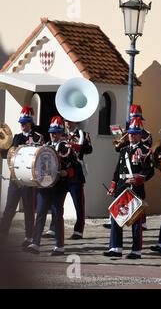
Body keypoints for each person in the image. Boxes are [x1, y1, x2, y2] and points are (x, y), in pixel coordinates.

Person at [103, 117, 154, 259]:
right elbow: (117, 170)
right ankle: (115, 248)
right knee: (116, 217)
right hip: (121, 188)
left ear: (140, 135)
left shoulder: (145, 151)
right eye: (130, 133)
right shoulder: (123, 150)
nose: (131, 136)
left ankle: (136, 251)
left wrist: (139, 178)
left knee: (136, 221)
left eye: (134, 133)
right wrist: (113, 186)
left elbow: (150, 171)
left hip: (135, 188)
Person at [26, 116, 77, 256]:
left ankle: (59, 246)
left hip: (58, 186)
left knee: (57, 214)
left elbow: (74, 168)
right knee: (40, 213)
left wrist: (65, 172)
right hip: (45, 185)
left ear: (61, 133)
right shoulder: (45, 146)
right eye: (51, 132)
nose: (53, 134)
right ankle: (35, 243)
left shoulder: (66, 147)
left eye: (56, 132)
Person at [0, 106, 43, 247]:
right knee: (9, 208)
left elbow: (40, 156)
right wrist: (2, 146)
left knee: (29, 209)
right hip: (15, 178)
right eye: (21, 123)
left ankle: (29, 237)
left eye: (25, 123)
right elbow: (8, 156)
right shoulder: (17, 137)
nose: (22, 125)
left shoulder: (38, 137)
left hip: (29, 179)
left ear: (30, 123)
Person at [48, 120, 92, 240]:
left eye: (70, 121)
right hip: (62, 173)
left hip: (75, 174)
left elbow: (89, 149)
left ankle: (78, 230)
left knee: (78, 204)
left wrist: (76, 146)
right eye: (66, 121)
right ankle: (53, 228)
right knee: (57, 203)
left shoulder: (83, 134)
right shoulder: (61, 134)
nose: (67, 123)